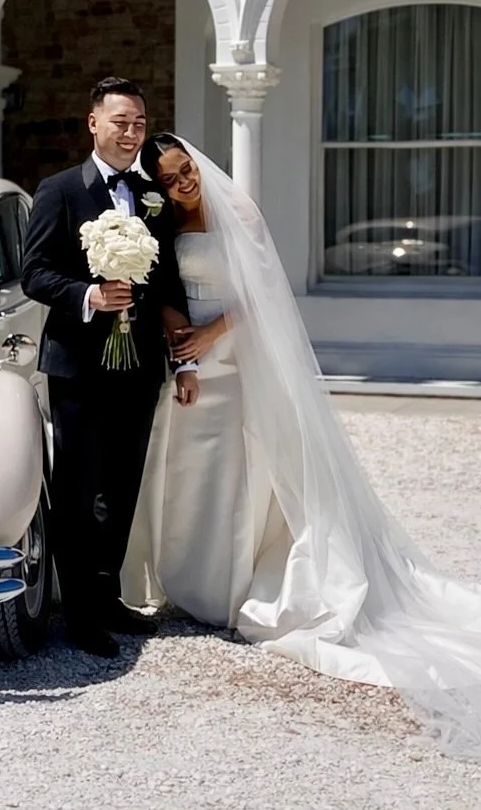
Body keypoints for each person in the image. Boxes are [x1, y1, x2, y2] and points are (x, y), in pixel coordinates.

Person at [125, 132, 481, 760]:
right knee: (192, 465)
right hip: (191, 362)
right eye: (171, 178)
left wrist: (212, 334)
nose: (183, 184)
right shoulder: (163, 223)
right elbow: (160, 293)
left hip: (240, 350)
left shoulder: (238, 212)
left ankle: (238, 583)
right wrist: (183, 341)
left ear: (199, 166)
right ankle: (195, 580)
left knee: (253, 469)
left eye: (187, 171)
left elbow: (266, 295)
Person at [20, 78, 191, 658]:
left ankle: (109, 593)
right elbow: (35, 273)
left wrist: (180, 353)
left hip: (139, 364)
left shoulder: (153, 196)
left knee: (122, 486)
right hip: (78, 365)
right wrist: (90, 296)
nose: (131, 131)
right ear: (93, 123)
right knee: (78, 488)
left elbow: (166, 279)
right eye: (121, 121)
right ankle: (80, 614)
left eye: (139, 122)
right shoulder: (60, 190)